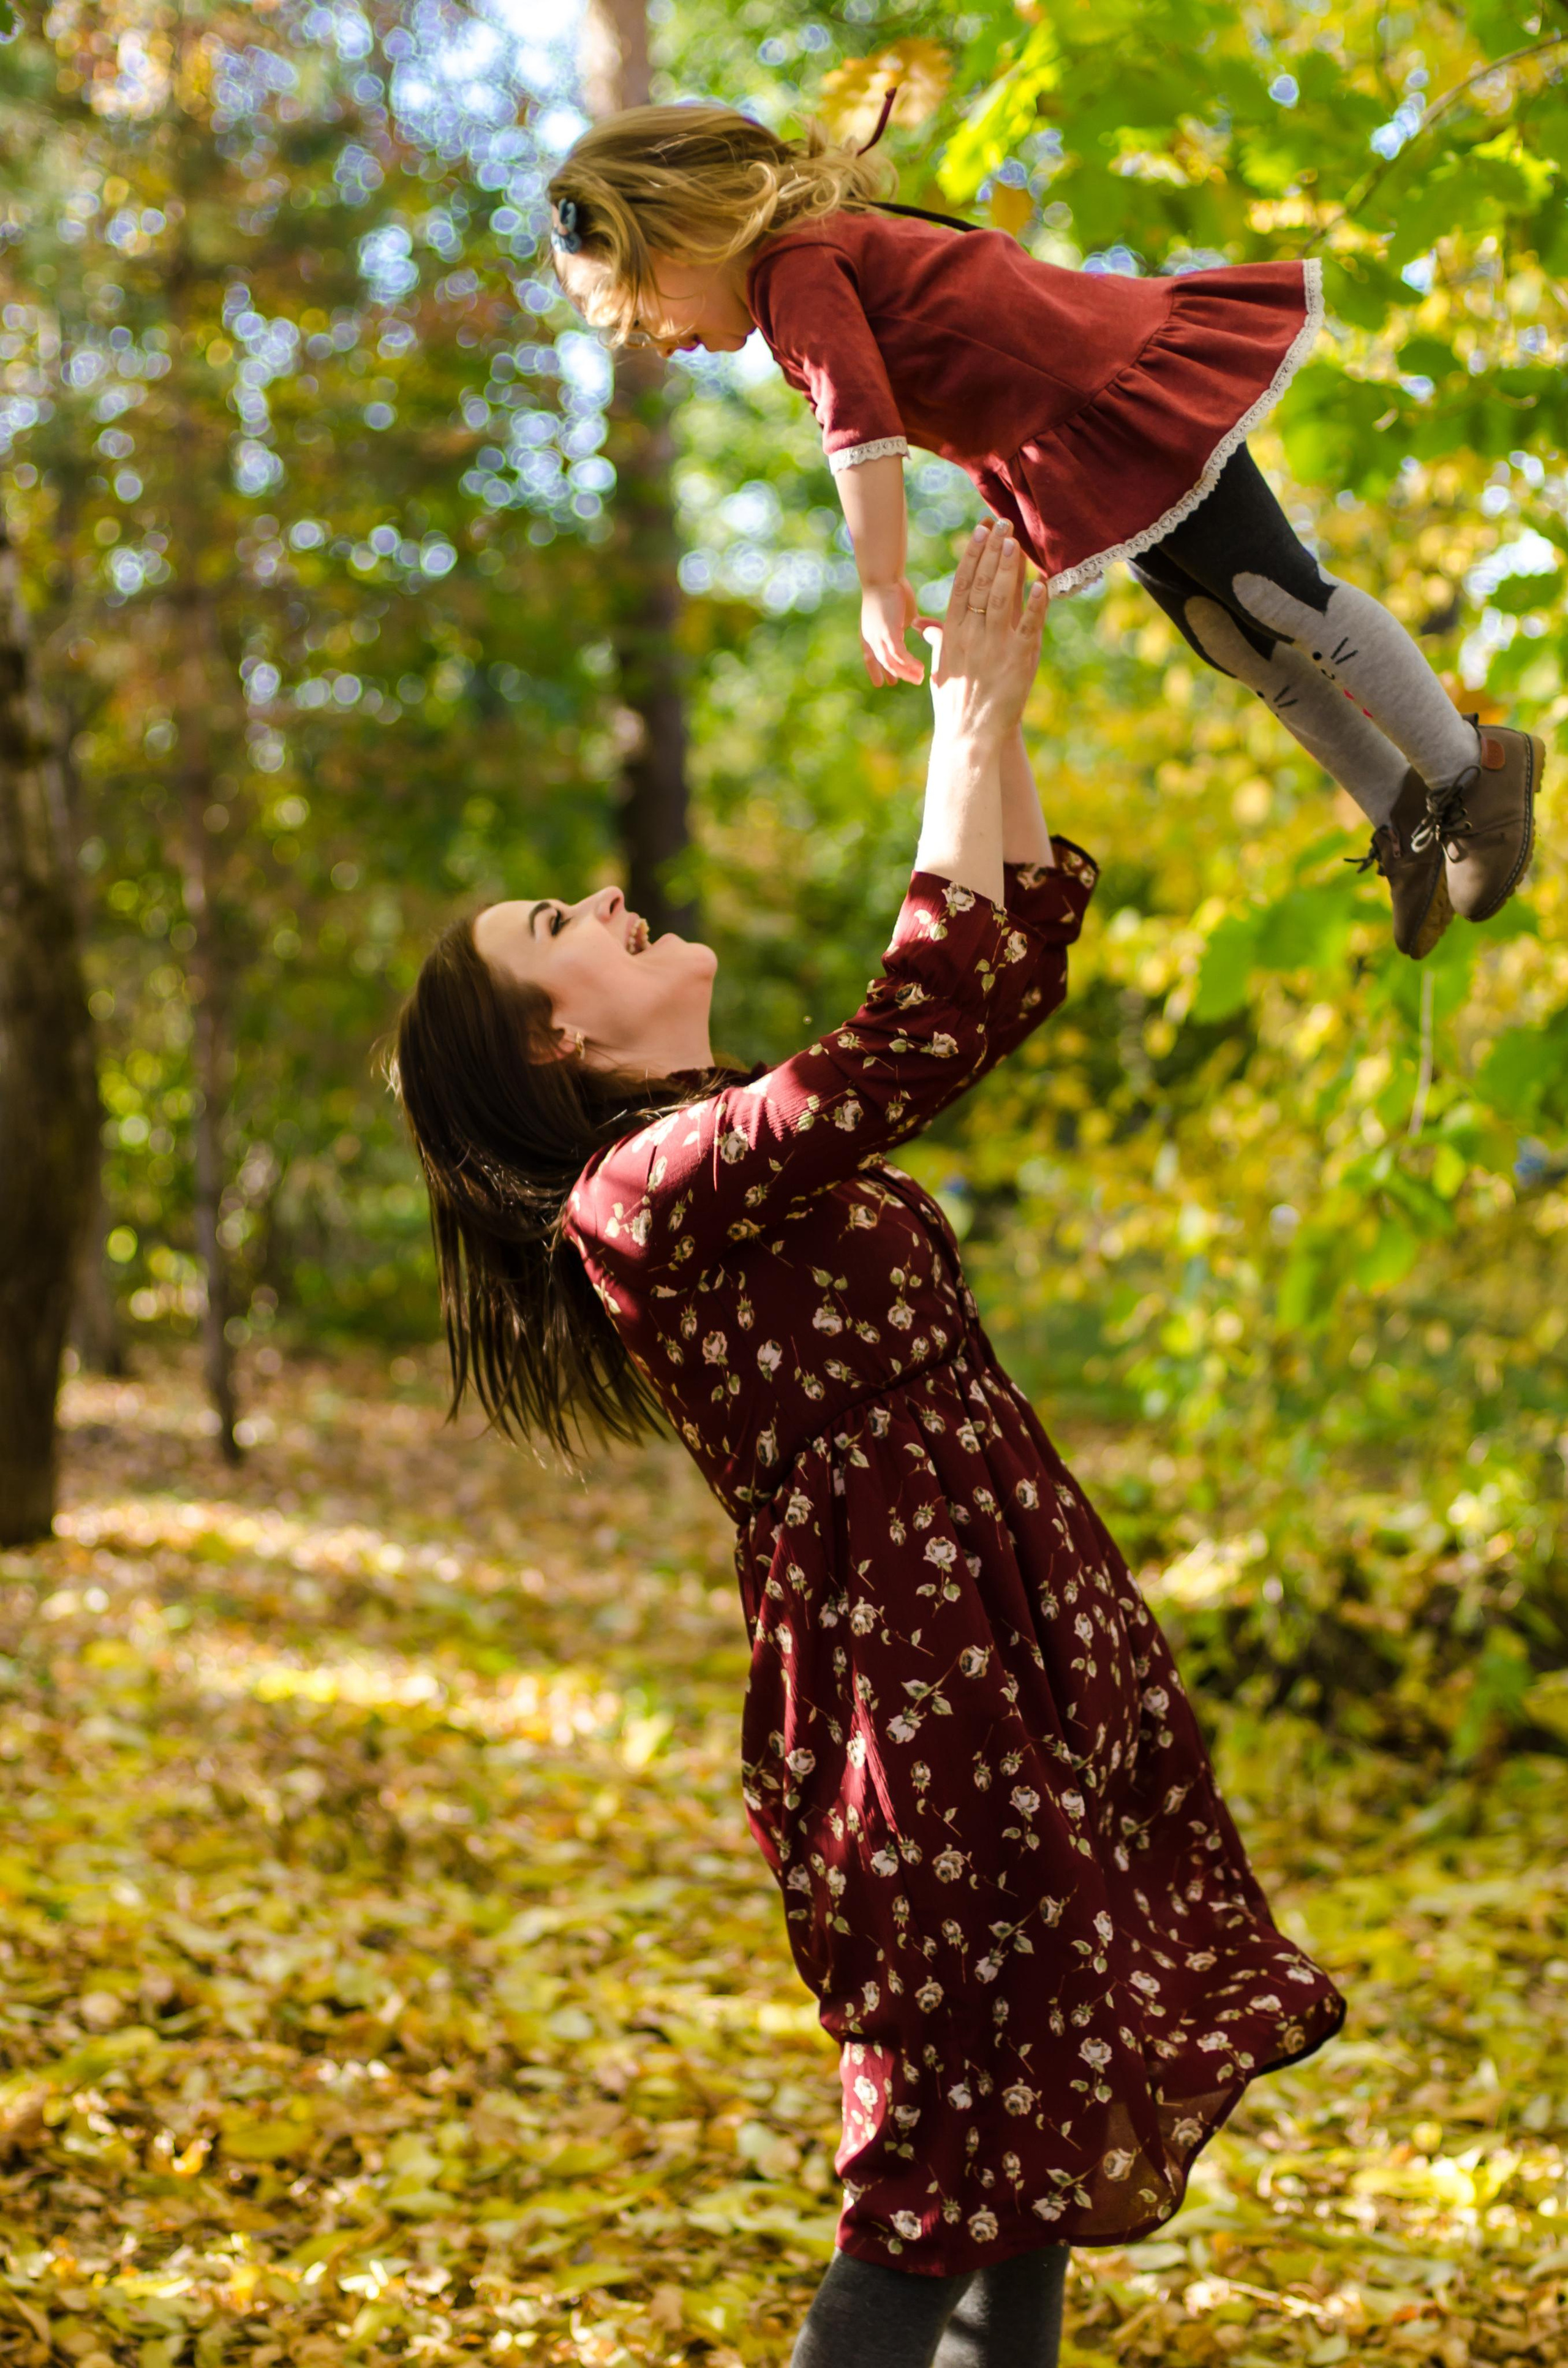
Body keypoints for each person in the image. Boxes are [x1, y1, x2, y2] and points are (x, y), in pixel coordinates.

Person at [392, 523, 1345, 2367]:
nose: (598, 900)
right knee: (934, 2174)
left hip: (1008, 1638)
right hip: (912, 1698)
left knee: (1032, 2140)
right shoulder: (635, 1199)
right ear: (562, 1035)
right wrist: (958, 726)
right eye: (556, 929)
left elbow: (991, 980)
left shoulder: (719, 1144)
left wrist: (998, 719)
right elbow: (908, 1037)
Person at [543, 102, 1544, 964]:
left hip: (1116, 403)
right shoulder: (790, 285)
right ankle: (1405, 818)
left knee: (1277, 594)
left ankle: (1470, 766)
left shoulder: (796, 270)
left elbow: (862, 427)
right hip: (1075, 449)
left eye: (632, 314)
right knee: (1239, 643)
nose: (651, 347)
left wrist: (880, 577)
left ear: (680, 233)